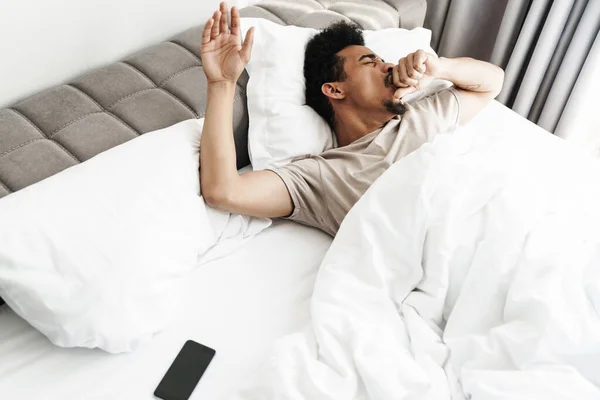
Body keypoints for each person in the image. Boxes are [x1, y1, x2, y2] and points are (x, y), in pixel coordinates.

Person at [200, 2, 505, 237]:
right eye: (370, 62)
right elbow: (224, 192)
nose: (388, 66)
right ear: (334, 90)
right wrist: (222, 84)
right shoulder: (324, 175)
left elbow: (492, 82)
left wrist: (440, 69)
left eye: (383, 59)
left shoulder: (420, 116)